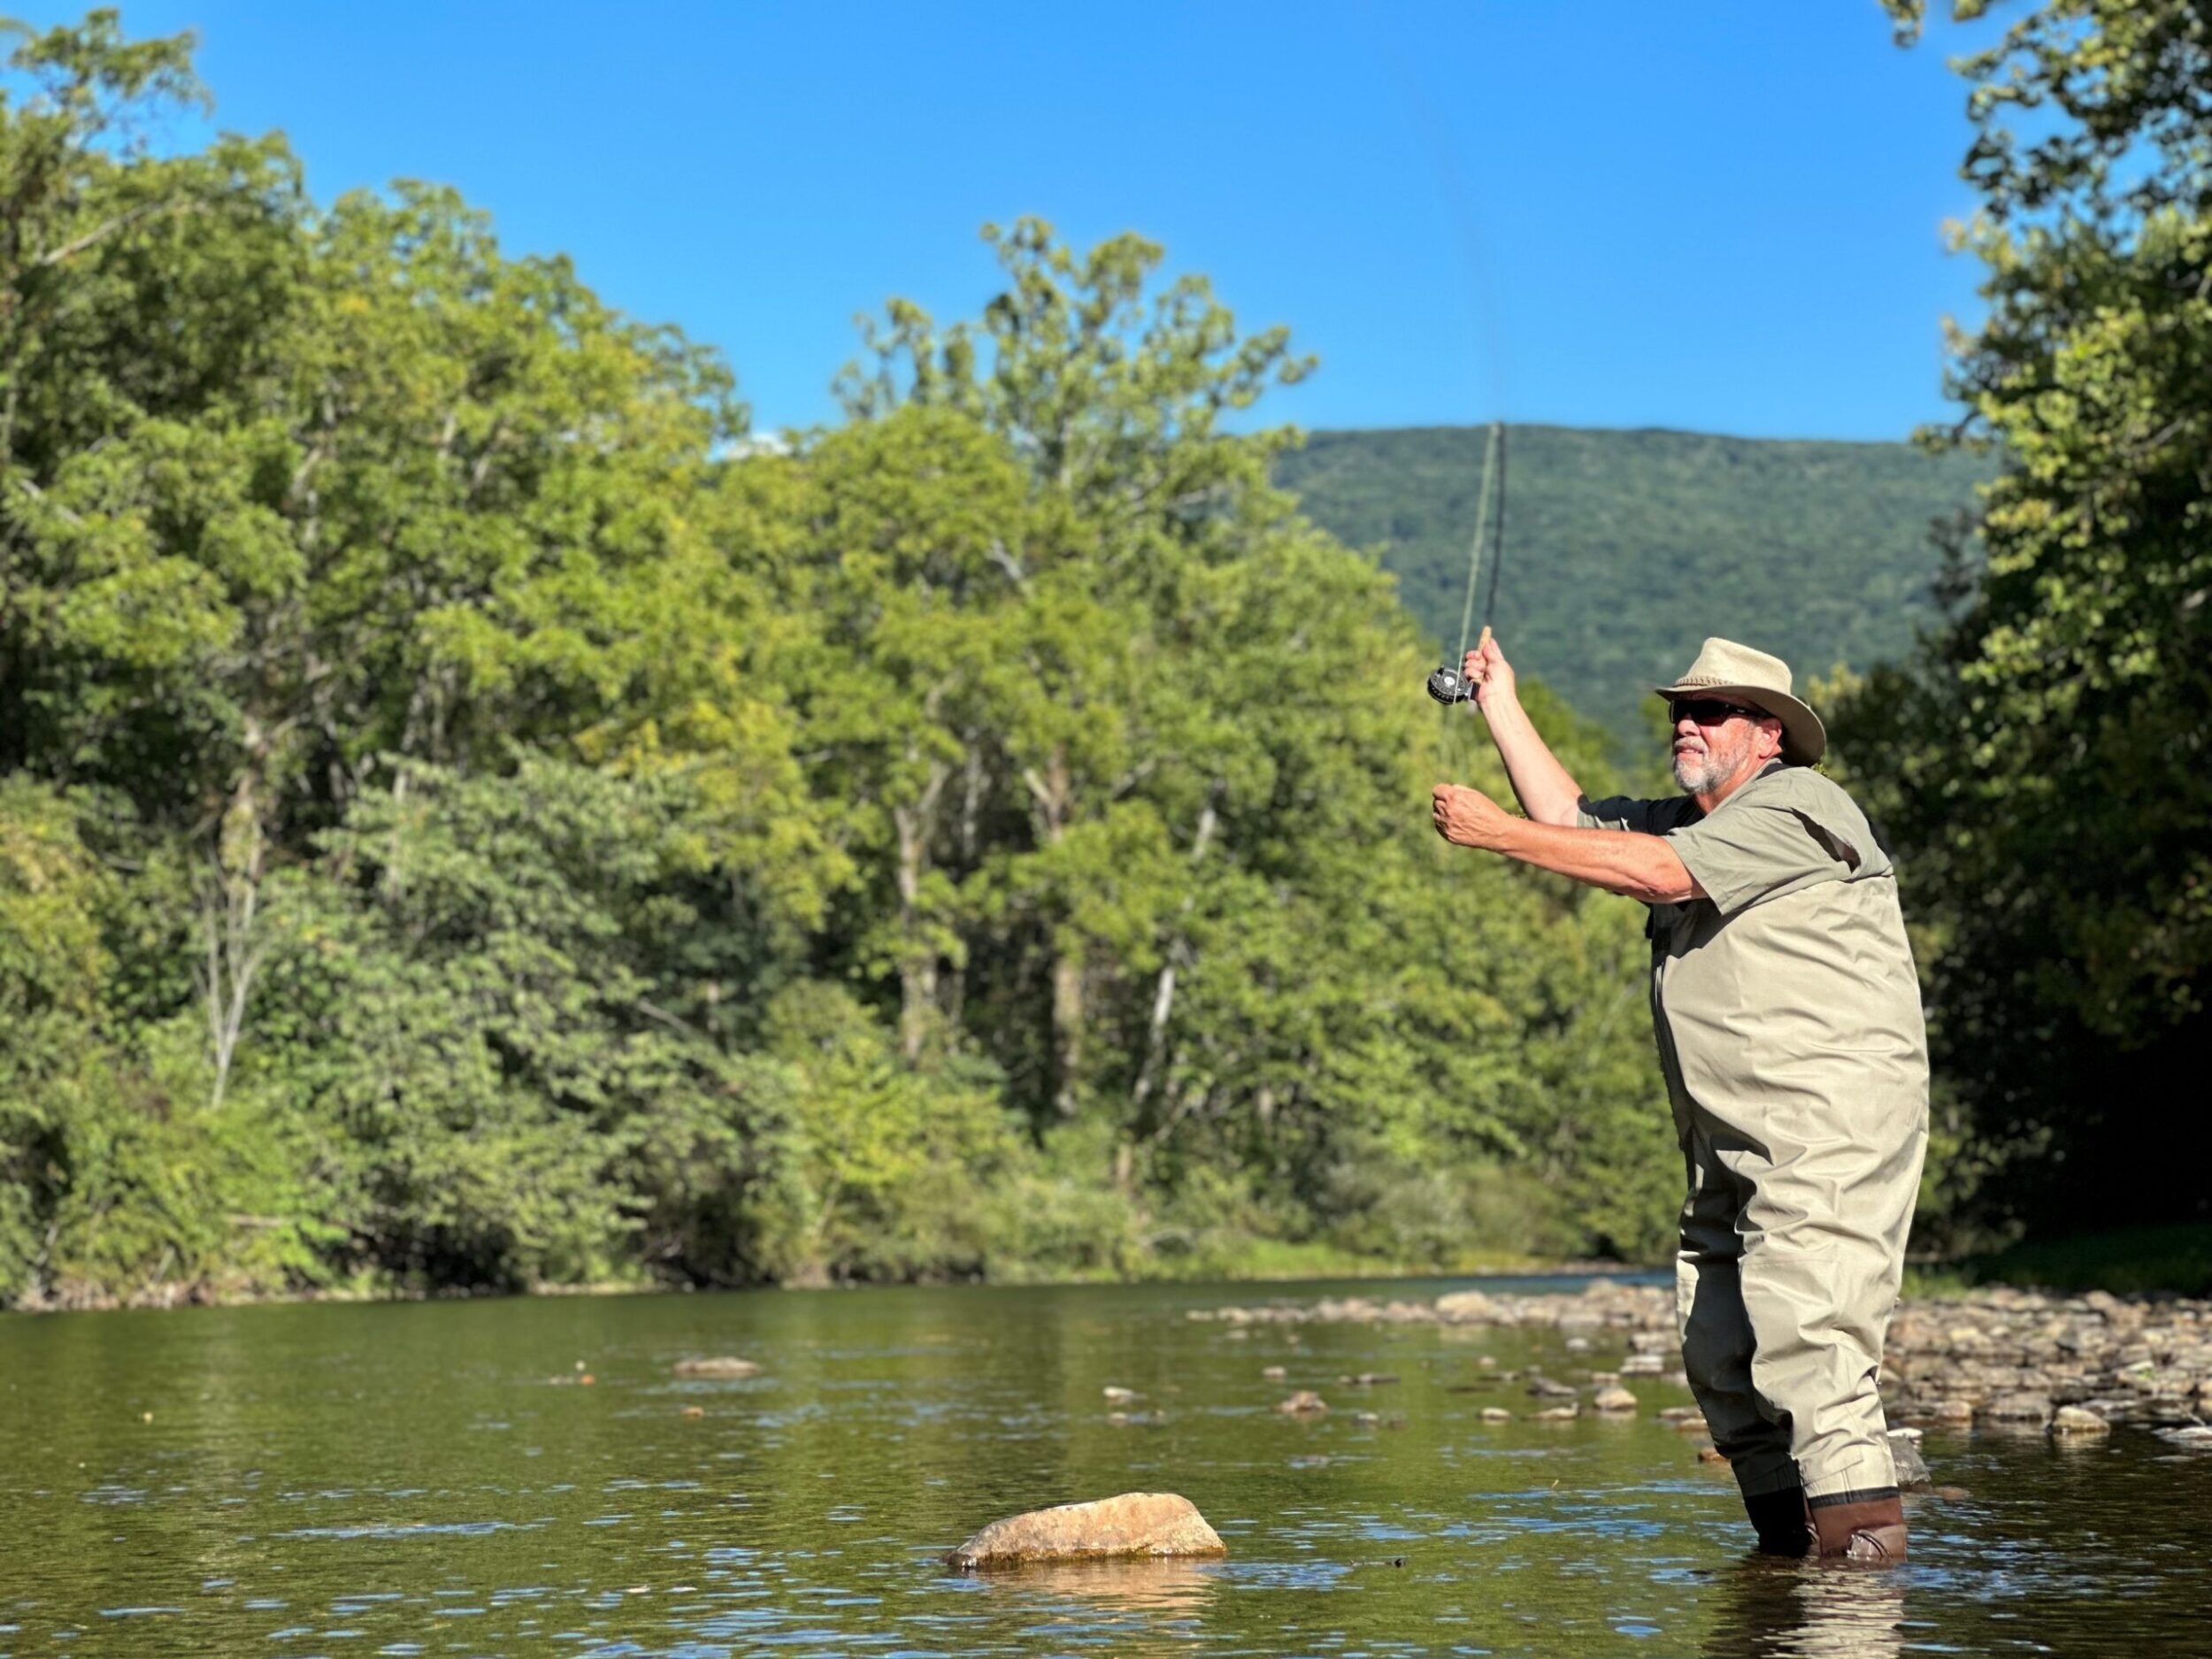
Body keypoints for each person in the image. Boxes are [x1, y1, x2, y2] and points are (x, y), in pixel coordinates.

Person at [1430, 634, 1928, 1563]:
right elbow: (1580, 825)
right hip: (1729, 1141)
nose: (1686, 724)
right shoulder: (1695, 822)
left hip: (1825, 1134)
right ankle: (1791, 1564)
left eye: (1713, 711)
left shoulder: (1801, 805)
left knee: (1811, 1343)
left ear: (1770, 736)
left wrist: (1496, 833)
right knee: (1721, 1355)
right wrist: (1498, 700)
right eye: (1679, 712)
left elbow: (1656, 874)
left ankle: (1861, 1587)